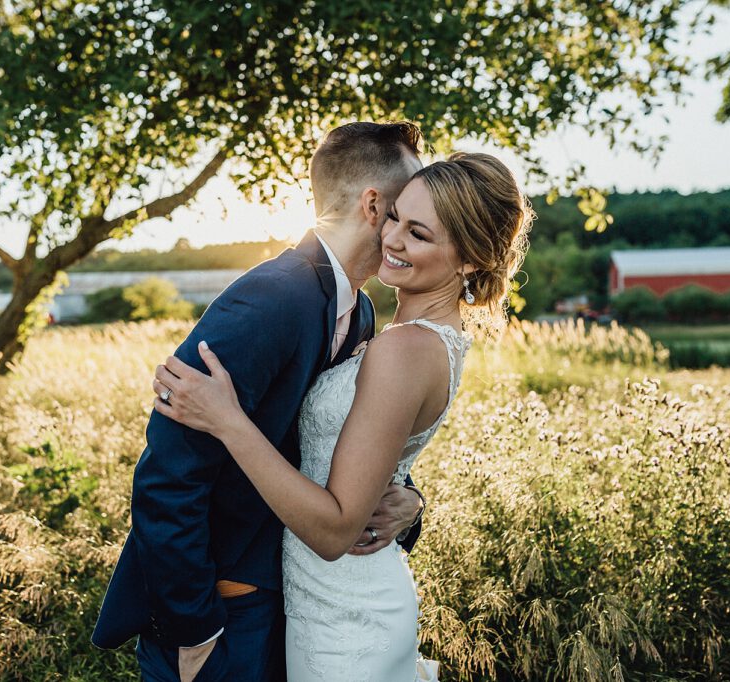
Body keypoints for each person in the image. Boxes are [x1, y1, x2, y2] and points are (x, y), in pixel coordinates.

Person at [151, 152, 532, 681]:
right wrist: (411, 500)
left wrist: (228, 421)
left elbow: (333, 531)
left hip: (344, 620)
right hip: (323, 603)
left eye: (418, 233)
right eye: (395, 216)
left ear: (469, 258)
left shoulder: (401, 349)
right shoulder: (400, 332)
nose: (392, 239)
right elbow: (370, 450)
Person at [91, 122, 430, 682]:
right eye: (402, 212)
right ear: (373, 205)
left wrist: (408, 503)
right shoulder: (272, 296)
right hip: (228, 615)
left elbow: (335, 440)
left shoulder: (363, 314)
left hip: (301, 602)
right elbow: (168, 475)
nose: (407, 230)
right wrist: (194, 629)